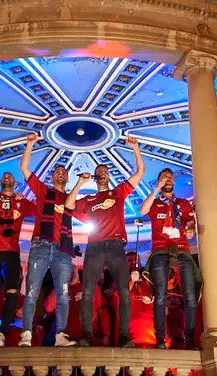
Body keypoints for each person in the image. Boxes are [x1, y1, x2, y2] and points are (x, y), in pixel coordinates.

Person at [66, 137, 145, 348]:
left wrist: (136, 149)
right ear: (95, 178)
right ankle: (86, 336)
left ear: (109, 176)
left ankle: (124, 336)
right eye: (98, 171)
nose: (102, 173)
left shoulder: (117, 193)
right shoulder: (89, 199)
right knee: (88, 291)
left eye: (105, 171)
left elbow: (139, 174)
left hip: (115, 245)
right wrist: (80, 183)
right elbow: (69, 204)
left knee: (124, 290)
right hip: (94, 246)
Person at [18, 133, 77, 347]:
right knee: (32, 291)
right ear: (52, 178)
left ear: (67, 178)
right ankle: (26, 334)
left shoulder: (70, 198)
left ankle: (61, 335)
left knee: (63, 292)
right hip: (41, 246)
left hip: (62, 250)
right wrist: (30, 144)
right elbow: (25, 169)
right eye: (57, 172)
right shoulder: (44, 191)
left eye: (64, 172)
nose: (60, 173)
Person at [0, 141, 35, 347]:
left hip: (11, 253)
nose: (7, 177)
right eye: (4, 176)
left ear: (16, 184)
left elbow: (43, 208)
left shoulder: (22, 201)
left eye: (11, 176)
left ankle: (2, 334)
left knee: (12, 292)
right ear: (1, 181)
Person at [138, 168, 199, 349]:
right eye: (164, 177)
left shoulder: (182, 203)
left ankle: (189, 340)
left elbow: (190, 222)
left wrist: (190, 228)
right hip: (160, 251)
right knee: (160, 295)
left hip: (181, 249)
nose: (168, 179)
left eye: (170, 177)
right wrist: (157, 188)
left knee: (190, 296)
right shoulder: (155, 203)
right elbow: (142, 210)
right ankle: (159, 340)